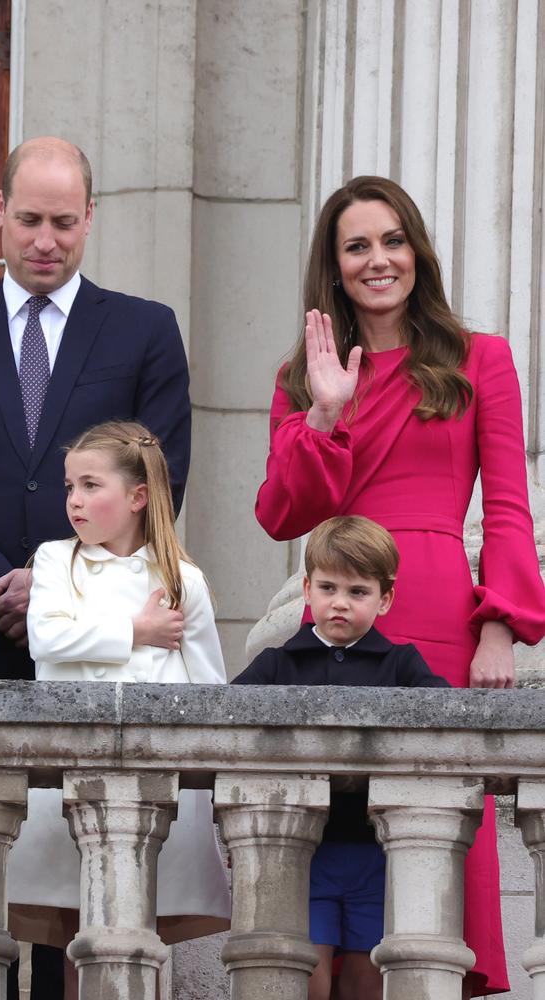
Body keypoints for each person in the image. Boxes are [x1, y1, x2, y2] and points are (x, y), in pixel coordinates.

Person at [255, 175, 545, 997]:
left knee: (439, 820)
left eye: (392, 240)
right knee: (339, 823)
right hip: (340, 610)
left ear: (415, 248)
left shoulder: (479, 357)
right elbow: (283, 514)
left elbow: (512, 508)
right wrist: (323, 413)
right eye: (357, 246)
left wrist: (501, 628)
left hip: (442, 614)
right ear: (334, 266)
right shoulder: (302, 375)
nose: (378, 259)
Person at [0, 135, 191, 684]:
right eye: (29, 219)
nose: (44, 242)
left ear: (88, 217)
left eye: (62, 223)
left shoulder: (146, 331)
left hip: (104, 628)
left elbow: (160, 477)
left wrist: (54, 580)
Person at [6, 420, 230, 996]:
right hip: (69, 778)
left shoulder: (184, 579)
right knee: (78, 930)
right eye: (68, 487)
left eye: (89, 485)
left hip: (157, 784)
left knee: (140, 932)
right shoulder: (56, 561)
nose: (74, 501)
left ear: (137, 496)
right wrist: (137, 630)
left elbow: (209, 687)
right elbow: (47, 641)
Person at [234, 516, 449, 1000]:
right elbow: (229, 728)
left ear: (385, 598)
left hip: (376, 849)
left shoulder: (402, 664)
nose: (340, 603)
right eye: (328, 587)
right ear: (306, 589)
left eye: (358, 591)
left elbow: (446, 724)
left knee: (366, 979)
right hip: (302, 850)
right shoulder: (278, 663)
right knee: (309, 977)